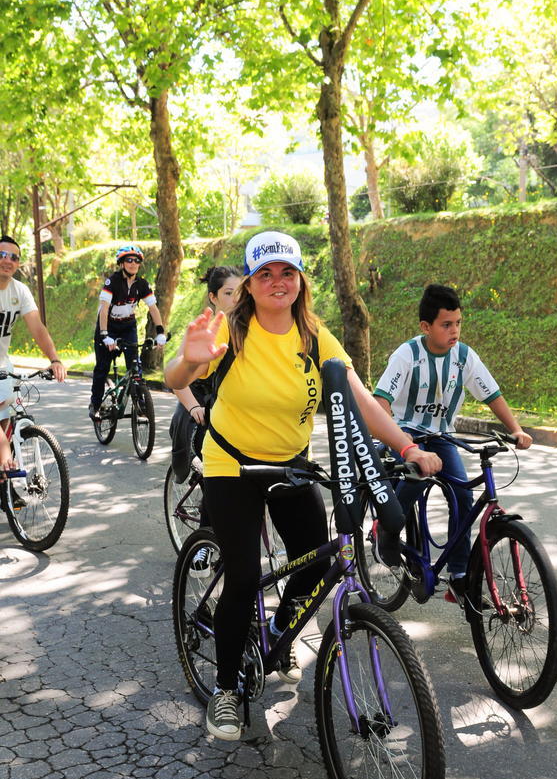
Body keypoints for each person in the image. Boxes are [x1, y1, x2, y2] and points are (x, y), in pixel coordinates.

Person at [165, 230, 442, 743]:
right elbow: (175, 374)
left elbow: (360, 399)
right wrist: (187, 361)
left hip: (291, 464)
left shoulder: (315, 336)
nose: (277, 281)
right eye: (264, 273)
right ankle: (226, 689)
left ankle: (277, 632)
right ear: (248, 284)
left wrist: (408, 449)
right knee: (245, 576)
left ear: (300, 280)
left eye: (286, 272)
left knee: (318, 559)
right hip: (233, 466)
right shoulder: (230, 330)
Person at [373, 283, 532, 599]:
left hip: (441, 435)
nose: (455, 330)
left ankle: (458, 576)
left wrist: (516, 428)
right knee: (420, 473)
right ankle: (387, 530)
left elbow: (492, 394)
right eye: (446, 324)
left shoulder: (464, 357)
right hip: (405, 433)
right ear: (426, 326)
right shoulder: (408, 355)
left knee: (462, 495)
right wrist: (400, 438)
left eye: (458, 323)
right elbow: (381, 401)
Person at [169, 265, 241, 485]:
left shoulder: (250, 329)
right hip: (198, 402)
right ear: (213, 296)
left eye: (241, 293)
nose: (236, 300)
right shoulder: (202, 331)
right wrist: (193, 408)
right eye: (228, 293)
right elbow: (178, 379)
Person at [89, 244, 167, 420]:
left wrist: (160, 332)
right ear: (122, 263)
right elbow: (104, 309)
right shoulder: (113, 282)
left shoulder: (142, 284)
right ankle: (95, 404)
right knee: (102, 368)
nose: (133, 263)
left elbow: (153, 308)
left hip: (127, 327)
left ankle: (140, 403)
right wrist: (104, 335)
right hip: (107, 327)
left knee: (135, 367)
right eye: (128, 260)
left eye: (137, 260)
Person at [0, 234, 67, 430]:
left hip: (2, 363)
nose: (8, 260)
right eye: (3, 254)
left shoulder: (19, 290)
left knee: (4, 416)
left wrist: (54, 359)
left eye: (14, 257)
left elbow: (37, 327)